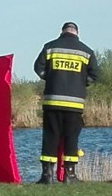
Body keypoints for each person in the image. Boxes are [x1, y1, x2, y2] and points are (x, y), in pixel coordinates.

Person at [33, 22, 100, 184]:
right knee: (71, 138)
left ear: (62, 32)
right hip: (75, 105)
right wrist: (81, 82)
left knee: (50, 137)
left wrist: (50, 77)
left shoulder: (50, 47)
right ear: (77, 33)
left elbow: (38, 68)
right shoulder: (86, 51)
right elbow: (95, 75)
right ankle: (70, 175)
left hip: (52, 102)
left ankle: (47, 175)